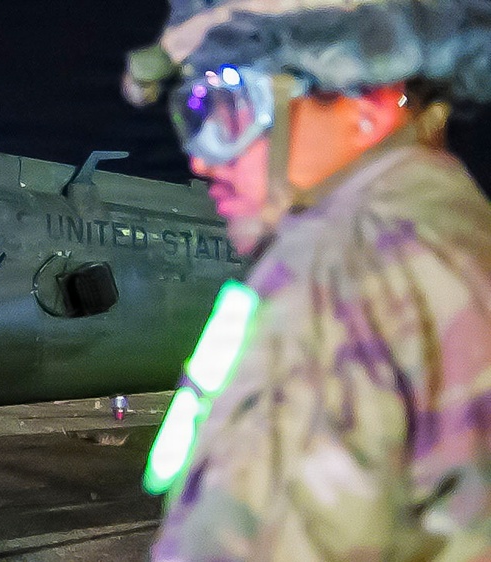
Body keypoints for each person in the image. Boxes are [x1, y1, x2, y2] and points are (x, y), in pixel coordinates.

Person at [124, 1, 491, 560]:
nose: (201, 161)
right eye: (196, 110)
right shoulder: (447, 227)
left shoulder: (337, 264)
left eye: (232, 105)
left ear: (366, 109)